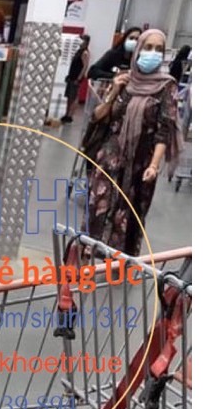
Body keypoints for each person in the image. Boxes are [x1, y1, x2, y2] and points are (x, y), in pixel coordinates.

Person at [83, 28, 183, 257]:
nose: (152, 53)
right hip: (110, 157)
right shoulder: (124, 80)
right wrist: (114, 91)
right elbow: (99, 116)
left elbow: (164, 130)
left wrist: (154, 166)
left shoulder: (166, 86)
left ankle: (119, 263)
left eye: (158, 49)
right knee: (99, 205)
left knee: (129, 214)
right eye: (148, 47)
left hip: (141, 162)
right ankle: (88, 254)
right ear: (138, 50)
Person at [61, 34, 91, 123]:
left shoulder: (85, 53)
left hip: (76, 78)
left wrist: (79, 78)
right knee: (69, 96)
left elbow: (85, 66)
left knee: (74, 97)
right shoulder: (78, 51)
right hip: (72, 76)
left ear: (86, 42)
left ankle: (70, 115)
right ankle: (67, 113)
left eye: (82, 40)